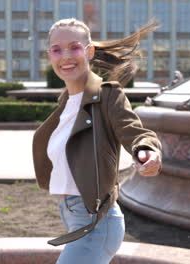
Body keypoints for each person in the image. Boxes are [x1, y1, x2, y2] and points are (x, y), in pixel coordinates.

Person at [32, 18, 162, 263]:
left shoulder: (107, 95)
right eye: (57, 50)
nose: (65, 56)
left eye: (75, 47)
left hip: (97, 223)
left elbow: (135, 131)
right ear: (49, 55)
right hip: (74, 217)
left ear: (89, 51)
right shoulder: (66, 103)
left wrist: (146, 150)